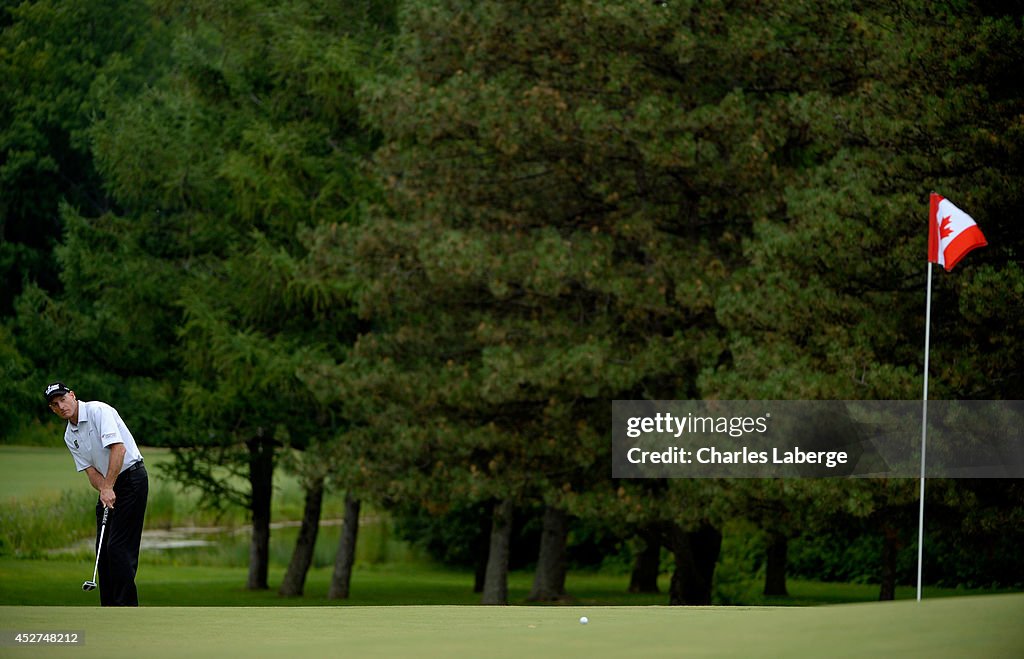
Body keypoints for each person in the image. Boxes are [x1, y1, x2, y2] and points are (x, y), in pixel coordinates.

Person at [45, 381, 148, 606]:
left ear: (72, 395)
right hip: (108, 484)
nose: (61, 406)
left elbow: (118, 449)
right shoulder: (69, 436)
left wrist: (109, 486)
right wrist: (105, 489)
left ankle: (126, 608)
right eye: (55, 404)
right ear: (52, 409)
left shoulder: (99, 411)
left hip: (131, 479)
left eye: (63, 399)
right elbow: (90, 472)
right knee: (102, 549)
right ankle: (108, 607)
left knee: (118, 547)